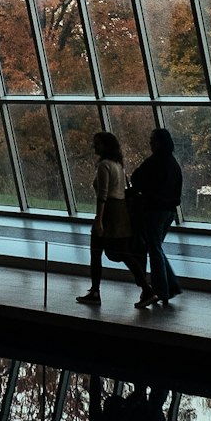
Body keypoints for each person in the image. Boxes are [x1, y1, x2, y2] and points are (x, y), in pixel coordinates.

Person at [77, 130, 155, 309]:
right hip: (121, 213)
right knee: (125, 253)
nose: (94, 146)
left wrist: (99, 219)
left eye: (97, 143)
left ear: (105, 145)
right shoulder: (118, 165)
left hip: (109, 213)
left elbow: (103, 195)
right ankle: (147, 288)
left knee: (95, 252)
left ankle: (95, 292)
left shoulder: (104, 165)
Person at [130, 128, 183, 308]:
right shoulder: (173, 164)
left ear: (159, 142)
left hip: (154, 210)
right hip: (168, 211)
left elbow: (137, 180)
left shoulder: (154, 162)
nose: (150, 143)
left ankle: (160, 290)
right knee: (156, 248)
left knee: (154, 250)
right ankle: (169, 286)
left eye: (153, 140)